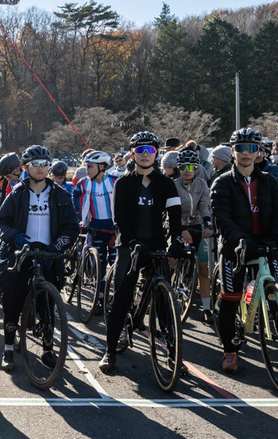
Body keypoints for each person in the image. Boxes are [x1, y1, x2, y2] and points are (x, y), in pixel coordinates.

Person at [210, 128, 278, 378]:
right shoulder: (223, 181)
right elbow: (222, 218)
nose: (246, 153)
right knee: (231, 298)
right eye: (240, 148)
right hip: (234, 248)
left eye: (251, 148)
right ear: (233, 151)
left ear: (259, 151)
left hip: (266, 246)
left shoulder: (270, 181)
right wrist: (241, 239)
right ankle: (230, 350)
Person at [99, 131, 182, 373]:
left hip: (156, 245)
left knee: (166, 303)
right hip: (129, 246)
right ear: (132, 154)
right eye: (139, 151)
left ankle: (175, 355)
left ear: (157, 153)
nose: (145, 155)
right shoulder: (123, 183)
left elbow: (175, 216)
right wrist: (132, 241)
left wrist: (175, 240)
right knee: (121, 300)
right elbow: (120, 219)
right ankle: (110, 350)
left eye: (150, 150)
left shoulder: (166, 184)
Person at [0, 144, 78, 372]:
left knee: (48, 304)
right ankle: (9, 348)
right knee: (11, 303)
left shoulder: (60, 194)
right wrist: (15, 237)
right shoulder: (17, 193)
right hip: (21, 253)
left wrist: (56, 247)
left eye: (44, 165)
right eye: (35, 165)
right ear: (25, 167)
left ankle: (48, 348)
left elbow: (71, 228)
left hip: (49, 253)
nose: (40, 169)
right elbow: (0, 224)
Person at [170, 148, 214, 321]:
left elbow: (204, 205)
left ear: (196, 169)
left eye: (191, 168)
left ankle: (207, 308)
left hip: (197, 224)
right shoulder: (172, 185)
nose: (187, 171)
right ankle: (166, 289)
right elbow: (172, 211)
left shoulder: (202, 183)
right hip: (178, 225)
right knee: (172, 260)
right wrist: (181, 229)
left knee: (204, 268)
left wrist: (208, 223)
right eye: (183, 168)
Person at [72, 150, 117, 302]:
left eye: (89, 166)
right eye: (86, 166)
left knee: (117, 263)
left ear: (102, 167)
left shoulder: (115, 181)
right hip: (95, 226)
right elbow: (76, 195)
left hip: (114, 227)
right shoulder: (83, 182)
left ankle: (118, 297)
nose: (86, 169)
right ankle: (101, 296)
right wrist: (79, 216)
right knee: (100, 265)